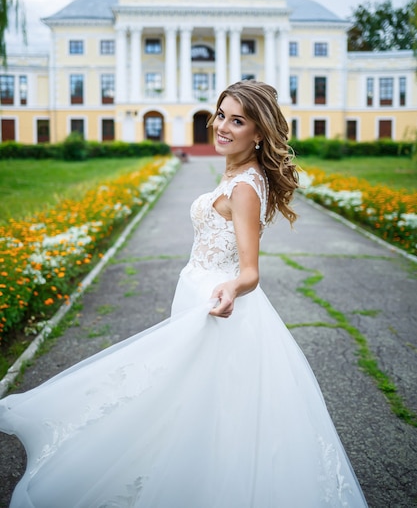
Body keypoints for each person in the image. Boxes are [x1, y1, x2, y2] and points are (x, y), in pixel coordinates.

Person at [0, 81, 368, 507]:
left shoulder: (245, 186)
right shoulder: (234, 172)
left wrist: (231, 288)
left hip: (217, 308)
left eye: (237, 120)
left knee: (201, 405)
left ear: (260, 133)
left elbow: (250, 271)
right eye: (221, 114)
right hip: (199, 296)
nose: (222, 126)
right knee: (187, 402)